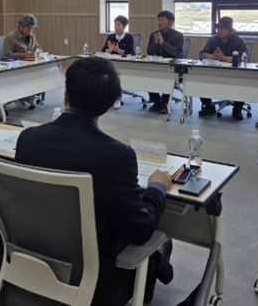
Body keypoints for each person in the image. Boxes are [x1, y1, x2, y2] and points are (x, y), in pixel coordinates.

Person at [15, 57, 173, 306]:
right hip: (94, 281)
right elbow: (140, 229)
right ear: (108, 105)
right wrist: (157, 187)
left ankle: (156, 264)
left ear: (65, 95)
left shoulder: (28, 139)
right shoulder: (117, 156)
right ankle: (156, 265)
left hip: (31, 264)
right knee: (156, 241)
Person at [197, 17, 248, 120]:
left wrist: (224, 58)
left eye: (223, 28)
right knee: (202, 78)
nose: (219, 30)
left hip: (234, 73)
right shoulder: (212, 40)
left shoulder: (238, 41)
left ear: (230, 30)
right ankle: (208, 106)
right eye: (218, 28)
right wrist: (214, 56)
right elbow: (202, 54)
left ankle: (237, 109)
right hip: (215, 72)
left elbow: (243, 57)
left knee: (241, 81)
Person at [146, 10, 184, 114]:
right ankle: (156, 101)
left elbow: (177, 53)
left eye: (163, 20)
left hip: (174, 68)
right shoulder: (154, 34)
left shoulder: (178, 36)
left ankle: (164, 103)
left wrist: (163, 44)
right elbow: (149, 52)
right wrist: (155, 43)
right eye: (159, 20)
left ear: (171, 22)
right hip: (158, 66)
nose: (160, 22)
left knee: (168, 76)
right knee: (147, 74)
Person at [3, 13, 42, 110]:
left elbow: (37, 47)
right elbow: (7, 55)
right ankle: (18, 97)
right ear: (20, 25)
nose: (30, 31)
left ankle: (29, 97)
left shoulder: (32, 35)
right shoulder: (10, 37)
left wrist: (38, 51)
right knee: (30, 77)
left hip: (30, 64)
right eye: (28, 28)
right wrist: (23, 55)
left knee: (40, 76)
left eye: (32, 28)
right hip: (17, 67)